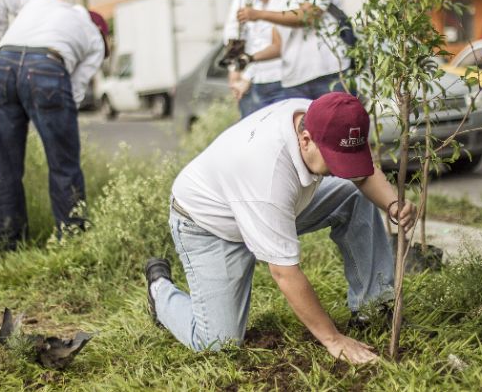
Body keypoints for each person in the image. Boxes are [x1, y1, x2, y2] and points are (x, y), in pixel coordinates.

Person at [144, 92, 416, 364]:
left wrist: (392, 204)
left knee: (352, 194)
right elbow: (285, 273)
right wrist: (333, 339)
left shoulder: (327, 120)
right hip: (209, 225)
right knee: (218, 342)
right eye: (334, 162)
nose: (341, 170)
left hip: (267, 205)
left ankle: (373, 306)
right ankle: (160, 292)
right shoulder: (267, 176)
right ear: (306, 140)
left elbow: (362, 174)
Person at [0, 0, 109, 251]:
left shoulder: (39, 0)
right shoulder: (95, 40)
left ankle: (9, 247)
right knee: (64, 166)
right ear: (100, 30)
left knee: (3, 165)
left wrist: (3, 39)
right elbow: (75, 93)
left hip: (1, 65)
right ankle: (72, 243)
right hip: (48, 67)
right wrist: (59, 125)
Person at [221, 0, 288, 117]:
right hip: (253, 80)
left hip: (281, 77)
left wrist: (246, 77)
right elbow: (235, 30)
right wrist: (234, 70)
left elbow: (278, 45)